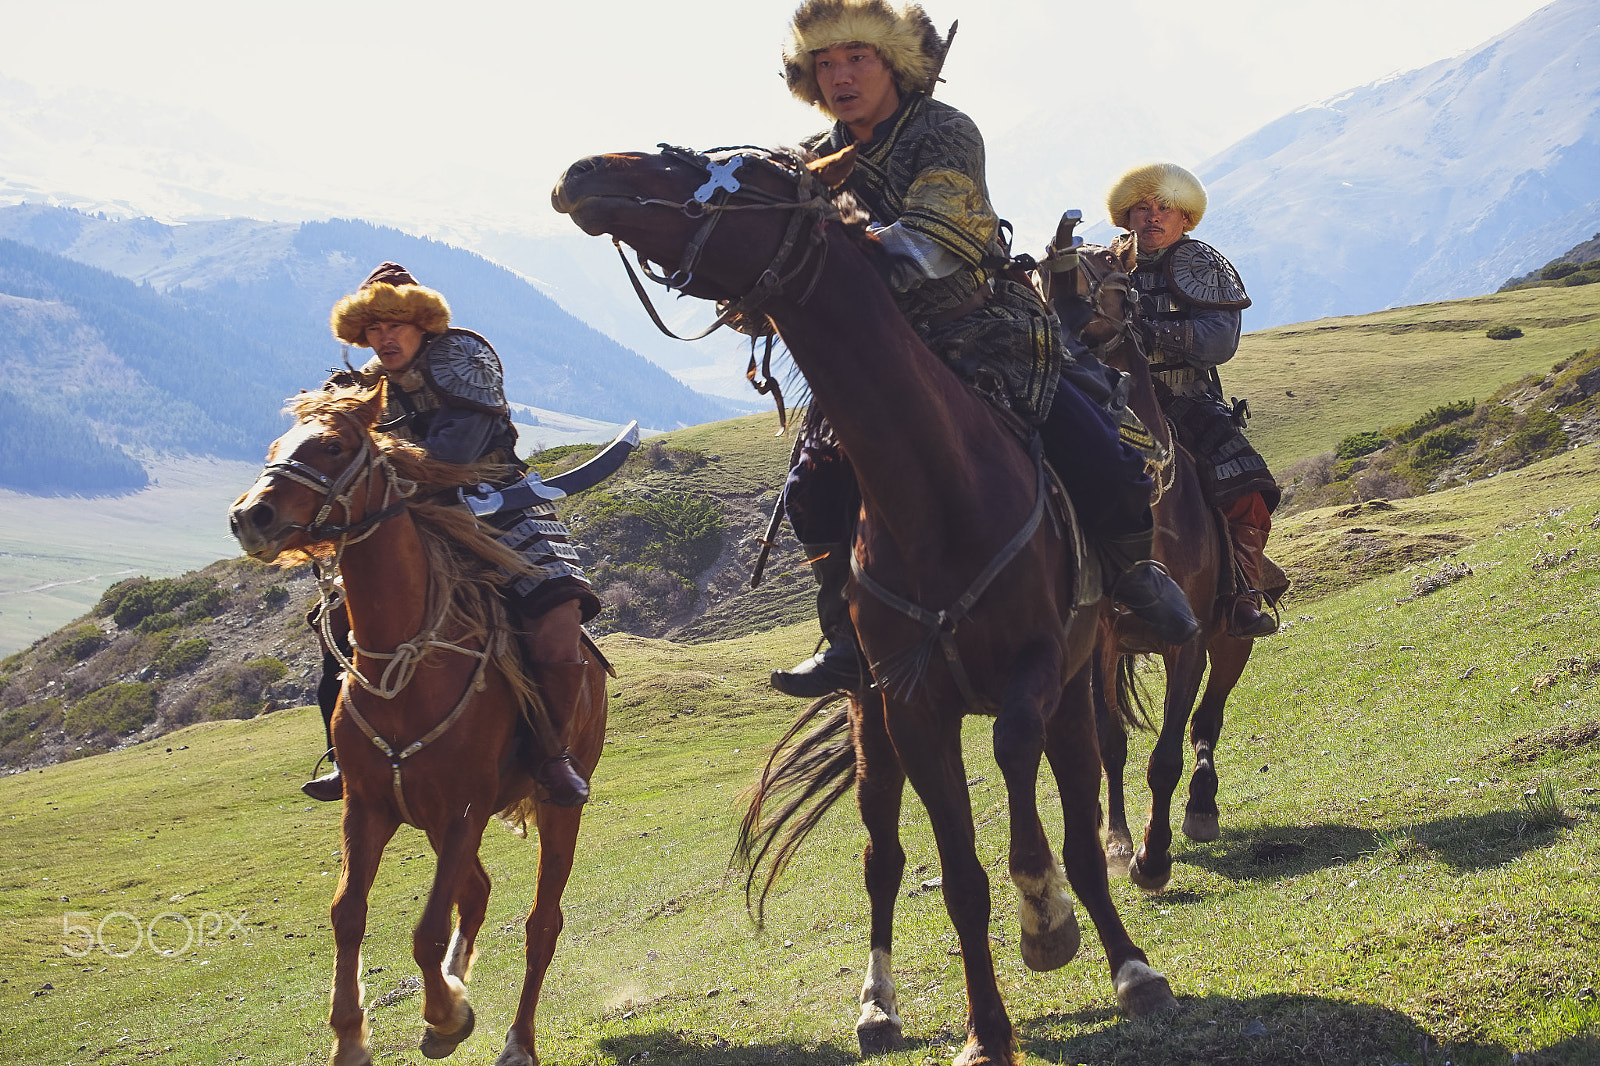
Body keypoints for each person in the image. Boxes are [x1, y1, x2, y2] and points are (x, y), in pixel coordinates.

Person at [768, 0, 1198, 698]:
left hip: (984, 332)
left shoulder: (944, 131)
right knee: (810, 492)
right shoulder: (805, 162)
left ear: (894, 64)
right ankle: (845, 634)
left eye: (857, 58)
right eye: (826, 63)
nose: (840, 76)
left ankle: (1133, 580)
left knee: (1099, 454)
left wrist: (845, 260)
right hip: (874, 363)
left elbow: (935, 236)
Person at [300, 262, 598, 806]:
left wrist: (373, 454)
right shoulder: (364, 385)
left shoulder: (465, 360)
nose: (384, 338)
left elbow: (450, 456)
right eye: (373, 329)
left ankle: (552, 757)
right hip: (412, 517)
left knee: (558, 616)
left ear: (423, 325)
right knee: (338, 622)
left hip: (498, 505)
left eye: (396, 325)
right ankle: (344, 757)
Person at [1106, 163, 1281, 638]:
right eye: (1143, 208)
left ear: (1185, 219)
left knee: (1247, 487)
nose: (1153, 218)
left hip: (1185, 399)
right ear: (1127, 217)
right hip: (1108, 401)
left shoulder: (1201, 263)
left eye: (1165, 209)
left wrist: (1149, 332)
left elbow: (1217, 341)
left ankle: (1241, 592)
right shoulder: (1102, 263)